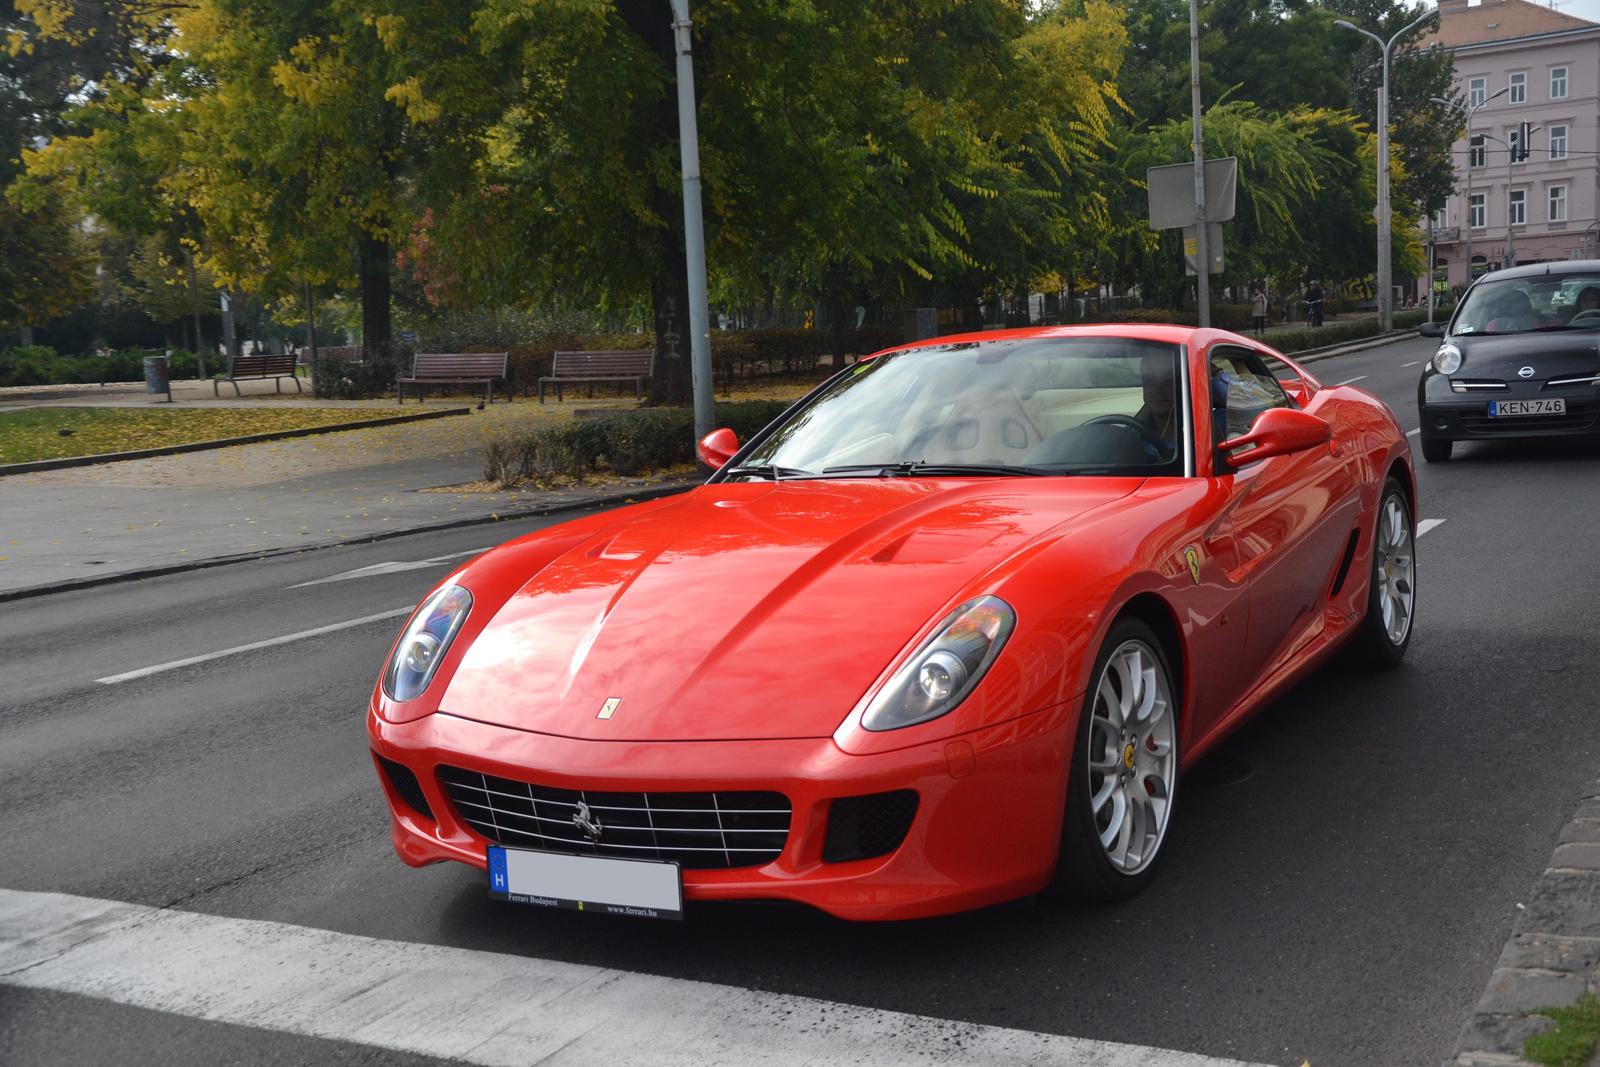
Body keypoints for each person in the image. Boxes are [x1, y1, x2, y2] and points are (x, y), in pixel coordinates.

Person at [1135, 353, 1178, 458]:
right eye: (1150, 381)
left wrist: (1217, 375)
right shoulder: (1133, 435)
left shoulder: (1209, 428)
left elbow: (1226, 400)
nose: (1158, 389)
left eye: (1168, 380)